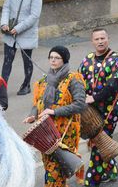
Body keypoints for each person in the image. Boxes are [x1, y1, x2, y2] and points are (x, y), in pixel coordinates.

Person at [24, 45, 87, 186]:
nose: (53, 60)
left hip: (65, 132)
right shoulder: (45, 80)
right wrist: (32, 115)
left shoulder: (73, 79)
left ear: (64, 60)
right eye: (51, 57)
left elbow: (80, 105)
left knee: (55, 170)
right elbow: (38, 102)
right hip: (46, 132)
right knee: (50, 167)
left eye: (57, 58)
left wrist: (54, 112)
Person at [78, 28, 118, 186]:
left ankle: (92, 180)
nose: (100, 41)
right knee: (101, 142)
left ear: (108, 39)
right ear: (92, 41)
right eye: (97, 39)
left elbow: (113, 85)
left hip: (110, 110)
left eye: (103, 38)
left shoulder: (117, 60)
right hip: (91, 111)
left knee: (99, 143)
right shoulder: (87, 60)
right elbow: (79, 81)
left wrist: (95, 97)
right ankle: (112, 170)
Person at [0, 0, 43, 95]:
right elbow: (6, 7)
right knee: (7, 60)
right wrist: (4, 23)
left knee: (27, 60)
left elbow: (34, 16)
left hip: (26, 32)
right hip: (10, 31)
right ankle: (1, 88)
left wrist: (18, 28)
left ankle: (26, 85)